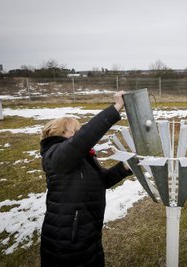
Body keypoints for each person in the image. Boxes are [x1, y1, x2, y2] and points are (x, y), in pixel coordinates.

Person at [39, 91, 132, 266]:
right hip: (67, 239)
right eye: (75, 130)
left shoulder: (80, 158)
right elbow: (84, 139)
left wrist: (125, 167)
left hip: (87, 231)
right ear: (60, 133)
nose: (79, 133)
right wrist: (116, 108)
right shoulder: (55, 155)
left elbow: (101, 181)